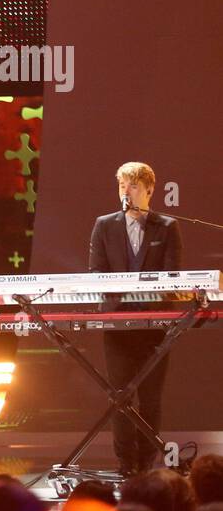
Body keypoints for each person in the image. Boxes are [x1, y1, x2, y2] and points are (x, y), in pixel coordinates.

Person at [88, 162, 183, 476]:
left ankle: (146, 461)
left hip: (155, 328)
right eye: (122, 187)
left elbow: (171, 279)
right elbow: (97, 273)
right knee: (120, 396)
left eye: (133, 186)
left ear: (149, 190)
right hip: (117, 326)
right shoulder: (104, 225)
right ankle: (125, 462)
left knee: (151, 397)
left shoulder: (166, 227)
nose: (126, 193)